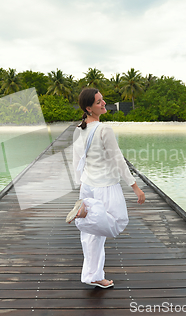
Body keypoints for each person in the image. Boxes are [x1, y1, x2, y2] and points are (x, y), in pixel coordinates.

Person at [66, 87, 145, 289]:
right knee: (118, 222)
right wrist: (135, 187)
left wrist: (80, 183)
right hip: (106, 186)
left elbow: (77, 161)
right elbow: (118, 159)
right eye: (99, 102)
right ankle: (90, 211)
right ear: (89, 108)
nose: (103, 103)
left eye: (103, 100)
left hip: (88, 186)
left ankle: (94, 275)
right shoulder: (104, 130)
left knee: (92, 235)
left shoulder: (79, 129)